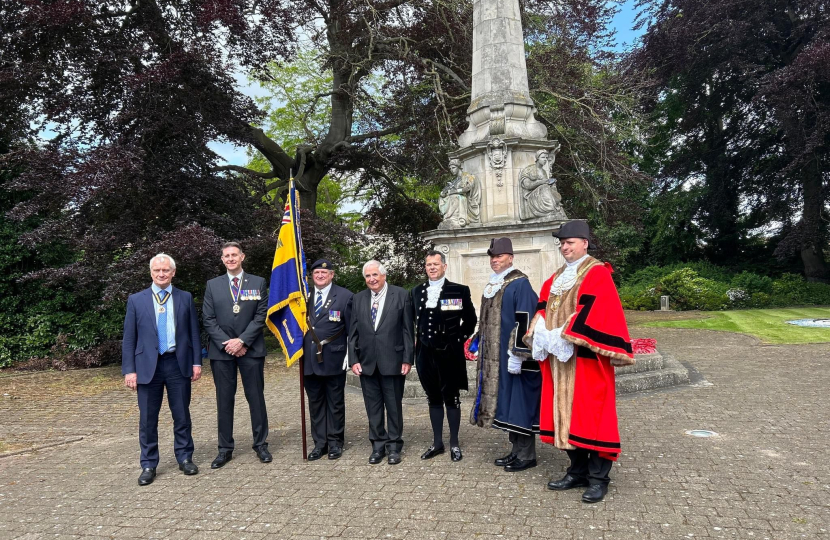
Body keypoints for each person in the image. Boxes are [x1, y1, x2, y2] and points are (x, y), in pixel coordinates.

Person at [527, 220, 634, 503]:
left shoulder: (597, 273)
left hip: (587, 359)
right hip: (560, 361)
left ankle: (599, 479)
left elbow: (599, 310)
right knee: (566, 416)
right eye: (562, 243)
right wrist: (539, 331)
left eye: (570, 242)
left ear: (584, 243)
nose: (565, 247)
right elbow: (541, 306)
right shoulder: (556, 277)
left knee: (593, 416)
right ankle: (577, 471)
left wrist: (564, 334)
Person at [122, 253, 202, 486]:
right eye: (157, 270)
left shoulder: (185, 298)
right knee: (148, 419)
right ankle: (148, 464)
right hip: (147, 367)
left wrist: (197, 362)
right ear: (151, 273)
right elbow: (129, 338)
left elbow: (194, 333)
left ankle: (185, 457)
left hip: (178, 364)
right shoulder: (136, 300)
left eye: (165, 270)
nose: (161, 274)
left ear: (173, 272)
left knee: (182, 415)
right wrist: (129, 370)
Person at [469, 238, 541, 472]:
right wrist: (478, 341)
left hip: (514, 359)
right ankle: (515, 451)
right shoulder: (495, 284)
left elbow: (526, 318)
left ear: (510, 257)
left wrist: (518, 353)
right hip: (496, 359)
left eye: (499, 256)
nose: (495, 260)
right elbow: (487, 319)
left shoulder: (520, 284)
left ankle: (527, 455)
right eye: (492, 257)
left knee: (519, 404)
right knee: (507, 404)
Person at [202, 242, 271, 469]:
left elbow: (261, 316)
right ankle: (224, 449)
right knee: (224, 400)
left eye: (234, 255)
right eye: (226, 256)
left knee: (256, 398)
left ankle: (260, 444)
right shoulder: (213, 285)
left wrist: (242, 341)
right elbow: (208, 319)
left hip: (250, 350)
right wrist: (228, 344)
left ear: (242, 257)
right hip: (222, 353)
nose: (231, 259)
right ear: (222, 260)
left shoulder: (258, 282)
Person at [410, 250, 477, 462]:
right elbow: (413, 319)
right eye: (428, 264)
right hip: (424, 354)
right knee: (433, 397)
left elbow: (470, 319)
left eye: (436, 264)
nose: (432, 268)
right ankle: (437, 442)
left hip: (449, 354)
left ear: (444, 266)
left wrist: (458, 339)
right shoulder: (416, 292)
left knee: (452, 397)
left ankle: (454, 443)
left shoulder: (458, 290)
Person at [348, 260, 414, 465]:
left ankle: (394, 446)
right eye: (367, 276)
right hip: (367, 363)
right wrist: (353, 359)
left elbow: (408, 330)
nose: (372, 279)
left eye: (375, 275)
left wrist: (407, 358)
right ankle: (378, 445)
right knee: (373, 407)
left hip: (393, 361)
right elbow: (353, 332)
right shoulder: (358, 299)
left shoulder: (401, 294)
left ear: (384, 276)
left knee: (393, 406)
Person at [303, 259, 353, 461]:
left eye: (324, 273)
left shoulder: (345, 296)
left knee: (335, 403)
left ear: (332, 274)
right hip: (308, 359)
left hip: (334, 357)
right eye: (316, 273)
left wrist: (350, 356)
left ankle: (335, 442)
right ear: (312, 276)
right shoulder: (302, 297)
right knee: (315, 403)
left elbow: (352, 330)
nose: (320, 276)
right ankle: (319, 443)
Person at [518, 149, 567, 220]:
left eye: (546, 158)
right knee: (545, 187)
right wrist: (541, 182)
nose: (545, 160)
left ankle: (555, 209)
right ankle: (550, 210)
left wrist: (551, 183)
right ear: (537, 158)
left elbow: (546, 183)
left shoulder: (544, 172)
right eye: (543, 157)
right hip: (530, 195)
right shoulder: (529, 170)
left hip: (541, 193)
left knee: (551, 187)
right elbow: (527, 186)